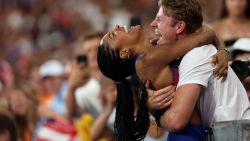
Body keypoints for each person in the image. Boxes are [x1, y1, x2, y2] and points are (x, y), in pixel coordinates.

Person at [97, 23, 228, 140]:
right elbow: (206, 35)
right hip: (188, 134)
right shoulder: (151, 58)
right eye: (113, 35)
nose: (117, 27)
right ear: (124, 53)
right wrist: (222, 50)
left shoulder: (148, 59)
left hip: (188, 132)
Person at [147, 0, 250, 140]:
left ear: (179, 27)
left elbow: (176, 121)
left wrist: (155, 113)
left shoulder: (196, 55)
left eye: (159, 19)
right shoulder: (188, 55)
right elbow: (209, 32)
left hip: (237, 134)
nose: (152, 24)